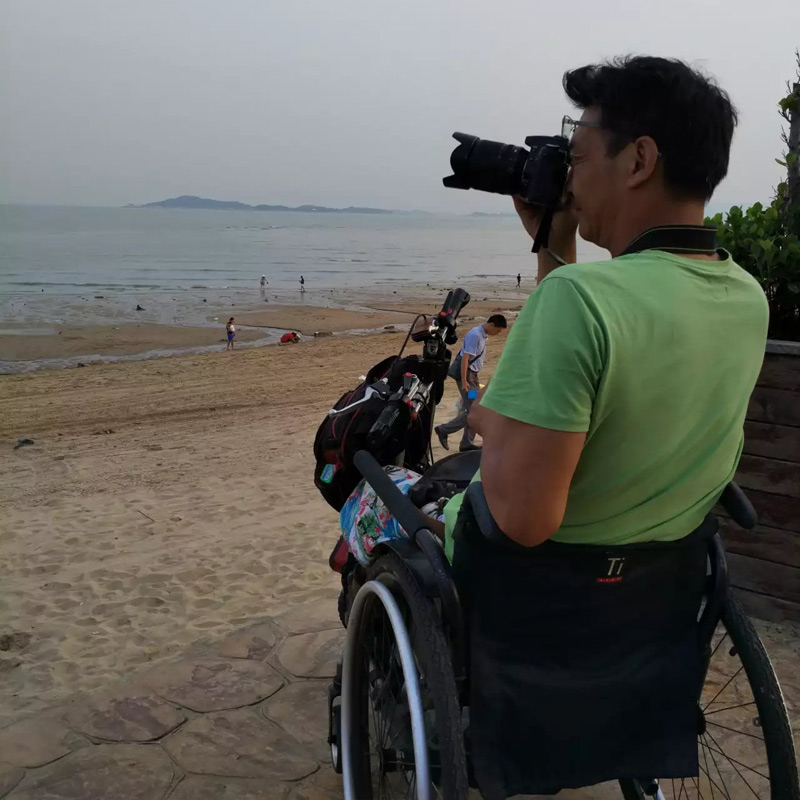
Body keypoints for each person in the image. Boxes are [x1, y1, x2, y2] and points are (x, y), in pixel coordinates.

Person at [442, 56, 768, 561]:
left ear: (639, 161)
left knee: (376, 503)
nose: (569, 181)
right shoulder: (747, 296)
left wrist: (488, 422)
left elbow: (522, 519)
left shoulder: (578, 300)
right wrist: (555, 242)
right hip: (660, 581)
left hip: (534, 582)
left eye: (577, 159)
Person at [435, 314, 507, 453]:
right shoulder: (476, 335)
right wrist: (464, 381)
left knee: (474, 407)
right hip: (467, 378)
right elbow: (465, 358)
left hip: (472, 377)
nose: (497, 334)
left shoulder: (482, 335)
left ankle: (466, 443)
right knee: (474, 409)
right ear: (492, 325)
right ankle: (444, 430)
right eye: (498, 330)